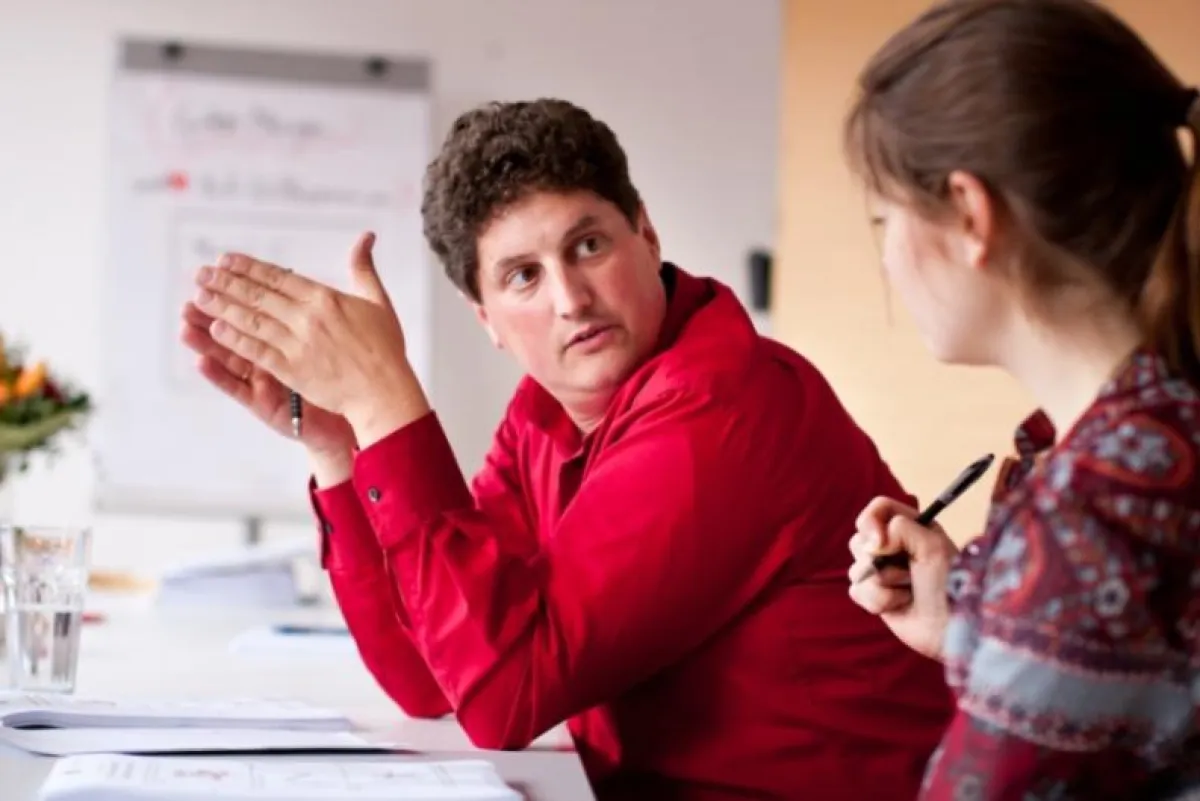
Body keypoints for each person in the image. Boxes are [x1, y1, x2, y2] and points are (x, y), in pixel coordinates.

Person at [179, 97, 953, 800]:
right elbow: (432, 678)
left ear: (646, 235)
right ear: (484, 315)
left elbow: (503, 697)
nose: (570, 298)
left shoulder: (726, 403)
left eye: (587, 245)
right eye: (523, 276)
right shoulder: (544, 412)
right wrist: (343, 446)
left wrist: (388, 403)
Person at [841, 1, 1200, 799]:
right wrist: (966, 621)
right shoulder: (1156, 432)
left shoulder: (1097, 512)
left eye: (883, 218)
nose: (889, 262)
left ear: (969, 214)